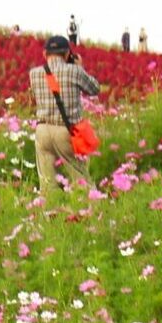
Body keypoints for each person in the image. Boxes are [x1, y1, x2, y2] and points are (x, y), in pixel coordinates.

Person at [28, 34, 101, 202]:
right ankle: (91, 212)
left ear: (44, 54)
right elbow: (95, 89)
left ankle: (49, 215)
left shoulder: (34, 74)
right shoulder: (74, 71)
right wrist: (80, 67)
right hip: (65, 131)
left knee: (47, 183)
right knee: (80, 178)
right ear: (68, 54)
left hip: (42, 130)